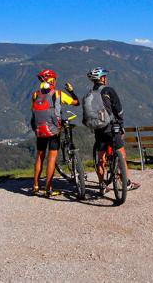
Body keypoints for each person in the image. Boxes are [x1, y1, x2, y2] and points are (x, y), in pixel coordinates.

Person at [86, 67, 140, 195]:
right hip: (111, 128)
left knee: (101, 159)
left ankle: (102, 185)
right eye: (104, 76)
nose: (106, 78)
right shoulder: (109, 91)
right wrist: (121, 124)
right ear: (102, 79)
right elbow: (119, 110)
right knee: (122, 155)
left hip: (99, 129)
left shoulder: (89, 94)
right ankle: (127, 183)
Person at [31, 69, 80, 197]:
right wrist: (71, 91)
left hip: (39, 129)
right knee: (51, 157)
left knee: (39, 156)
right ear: (52, 80)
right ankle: (48, 189)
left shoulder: (35, 94)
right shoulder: (58, 93)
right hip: (53, 130)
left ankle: (35, 186)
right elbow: (76, 103)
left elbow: (34, 111)